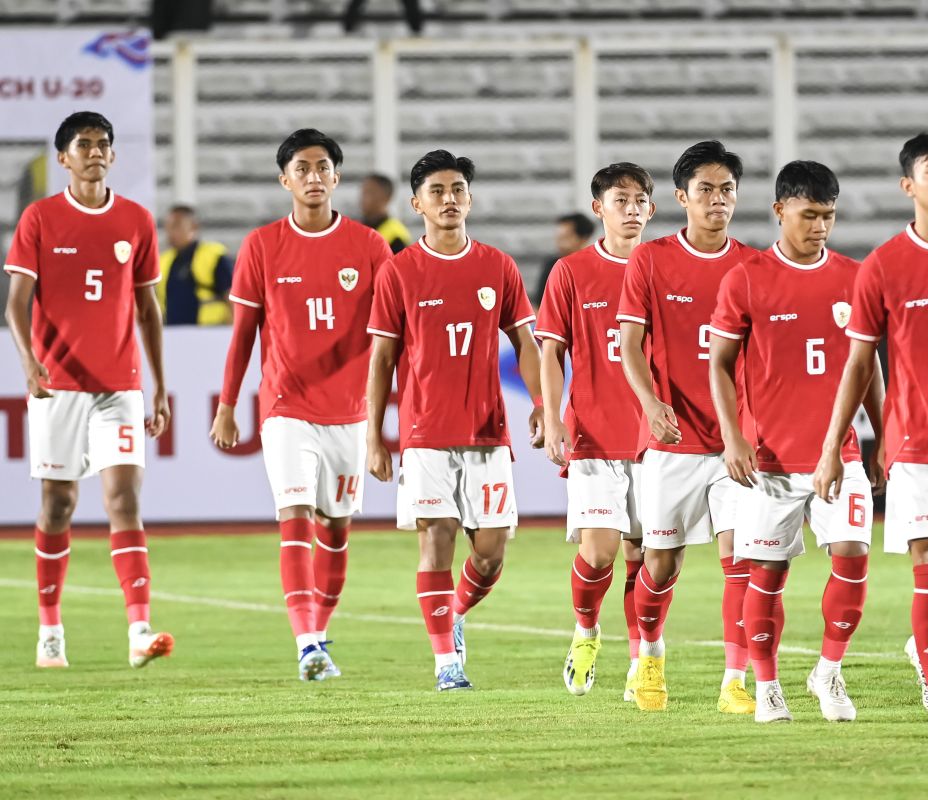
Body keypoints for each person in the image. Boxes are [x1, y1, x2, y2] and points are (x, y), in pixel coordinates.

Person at [813, 132, 928, 740]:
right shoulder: (884, 266)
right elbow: (859, 364)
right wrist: (838, 445)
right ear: (908, 185)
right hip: (916, 444)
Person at [210, 129, 393, 681]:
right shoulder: (262, 245)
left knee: (335, 528)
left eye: (323, 168)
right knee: (294, 516)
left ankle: (321, 630)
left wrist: (385, 415)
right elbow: (243, 334)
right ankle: (307, 641)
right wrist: (227, 405)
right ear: (284, 179)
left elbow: (391, 335)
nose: (314, 177)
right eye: (302, 169)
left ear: (337, 178)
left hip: (348, 411)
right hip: (285, 406)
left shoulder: (369, 246)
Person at [709, 160, 885, 723]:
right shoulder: (746, 278)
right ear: (779, 209)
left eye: (828, 216)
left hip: (843, 454)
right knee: (768, 575)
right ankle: (767, 688)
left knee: (854, 557)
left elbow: (868, 366)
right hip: (769, 462)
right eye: (809, 215)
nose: (820, 227)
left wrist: (884, 433)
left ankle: (828, 671)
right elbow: (719, 363)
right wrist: (734, 436)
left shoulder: (855, 278)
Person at [365, 149, 544, 692]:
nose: (449, 199)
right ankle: (446, 661)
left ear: (471, 198)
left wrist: (541, 403)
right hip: (425, 434)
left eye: (458, 189)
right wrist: (374, 435)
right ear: (417, 202)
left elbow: (525, 342)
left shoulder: (497, 266)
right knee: (436, 537)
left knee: (490, 554)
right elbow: (382, 358)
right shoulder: (399, 271)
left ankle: (456, 612)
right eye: (437, 191)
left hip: (487, 432)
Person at [4, 110, 174, 670]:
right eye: (84, 144)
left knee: (124, 498)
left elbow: (147, 308)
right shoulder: (40, 219)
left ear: (113, 155)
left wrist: (160, 385)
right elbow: (16, 303)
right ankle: (50, 627)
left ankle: (139, 629)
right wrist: (29, 363)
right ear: (63, 158)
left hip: (119, 384)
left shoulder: (136, 220)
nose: (95, 151)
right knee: (59, 504)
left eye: (103, 143)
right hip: (58, 385)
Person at [616, 140, 753, 714]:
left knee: (741, 558)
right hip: (672, 438)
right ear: (681, 198)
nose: (717, 199)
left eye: (726, 189)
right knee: (661, 562)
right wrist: (650, 404)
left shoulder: (754, 265)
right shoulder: (650, 260)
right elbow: (628, 345)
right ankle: (647, 658)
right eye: (706, 190)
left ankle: (736, 681)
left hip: (734, 443)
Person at [536, 162, 656, 700]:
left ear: (652, 208)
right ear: (598, 209)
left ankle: (641, 661)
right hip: (593, 436)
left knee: (646, 556)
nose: (630, 211)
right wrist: (554, 413)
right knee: (601, 551)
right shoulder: (571, 272)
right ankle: (586, 633)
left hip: (658, 440)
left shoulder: (667, 268)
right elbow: (552, 351)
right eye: (619, 201)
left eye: (639, 201)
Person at [158, 204, 234, 325]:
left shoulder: (213, 256)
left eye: (176, 226)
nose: (170, 232)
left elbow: (233, 298)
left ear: (194, 227)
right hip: (172, 335)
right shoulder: (163, 261)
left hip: (211, 333)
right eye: (167, 227)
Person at [533, 212, 596, 304]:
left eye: (565, 237)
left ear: (584, 238)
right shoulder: (552, 265)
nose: (559, 243)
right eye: (558, 237)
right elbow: (540, 304)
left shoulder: (597, 265)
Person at [359, 172, 414, 254]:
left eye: (370, 192)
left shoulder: (396, 236)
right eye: (363, 192)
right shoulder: (358, 227)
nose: (363, 198)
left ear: (387, 197)